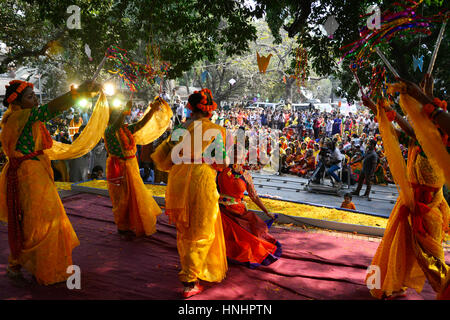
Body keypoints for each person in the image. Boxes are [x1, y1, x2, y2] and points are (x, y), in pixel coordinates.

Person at [0, 79, 100, 284]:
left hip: (31, 172)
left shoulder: (18, 118)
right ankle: (42, 265)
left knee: (29, 219)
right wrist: (77, 93)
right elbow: (51, 109)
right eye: (30, 97)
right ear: (17, 103)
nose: (35, 100)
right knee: (43, 219)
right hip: (29, 175)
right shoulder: (21, 117)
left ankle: (18, 264)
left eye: (34, 95)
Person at [362, 90, 450, 300]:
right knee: (395, 246)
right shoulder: (418, 142)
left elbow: (408, 129)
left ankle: (445, 288)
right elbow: (397, 129)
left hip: (429, 210)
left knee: (433, 257)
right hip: (409, 205)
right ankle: (387, 284)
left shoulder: (437, 145)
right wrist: (375, 108)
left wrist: (379, 106)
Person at [151, 88, 228, 298]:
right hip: (201, 180)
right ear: (210, 110)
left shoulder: (180, 129)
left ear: (191, 108)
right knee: (202, 229)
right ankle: (189, 278)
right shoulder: (217, 131)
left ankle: (189, 271)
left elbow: (162, 160)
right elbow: (222, 162)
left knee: (184, 228)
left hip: (178, 179)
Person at [104, 97, 171, 238]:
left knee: (134, 196)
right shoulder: (109, 131)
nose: (120, 117)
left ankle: (133, 223)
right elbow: (116, 125)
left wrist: (152, 110)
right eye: (117, 115)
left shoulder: (126, 129)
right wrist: (124, 111)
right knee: (122, 197)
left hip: (131, 165)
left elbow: (141, 124)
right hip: (119, 167)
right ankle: (123, 226)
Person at [218, 144, 281, 268]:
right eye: (234, 152)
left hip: (239, 212)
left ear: (243, 156)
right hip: (220, 210)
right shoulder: (220, 169)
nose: (236, 155)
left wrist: (267, 212)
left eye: (239, 152)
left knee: (251, 239)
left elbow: (254, 196)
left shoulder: (246, 175)